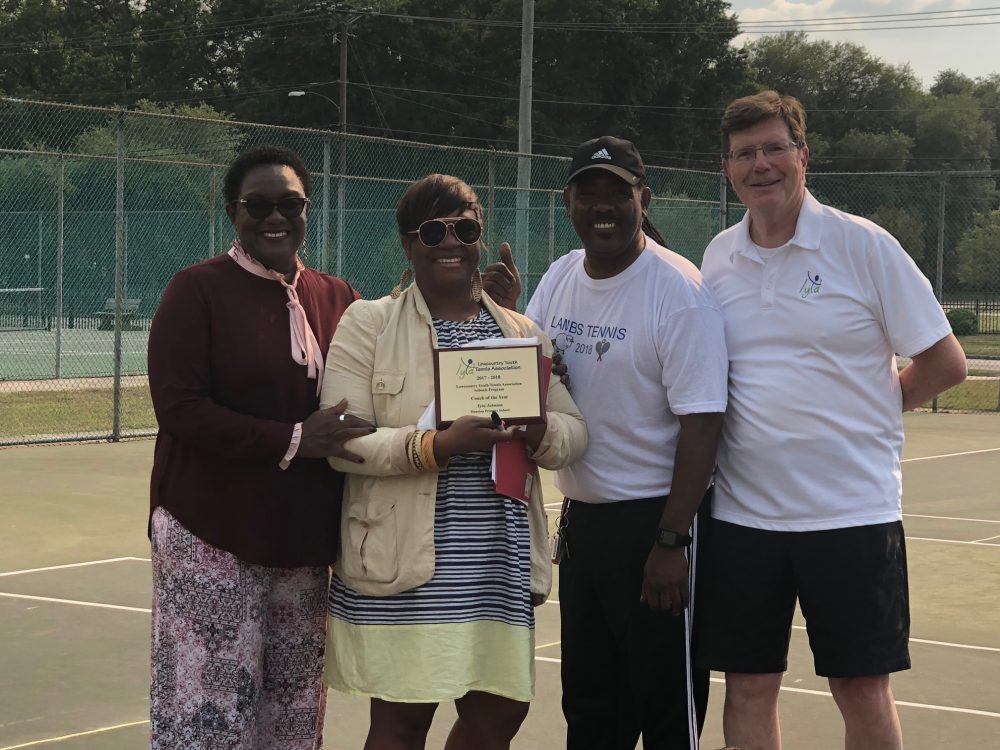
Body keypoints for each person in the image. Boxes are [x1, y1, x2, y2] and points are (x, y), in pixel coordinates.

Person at [697, 91, 968, 750]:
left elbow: (945, 361)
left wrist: (880, 405)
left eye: (773, 148)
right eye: (744, 153)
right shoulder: (717, 258)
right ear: (728, 169)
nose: (761, 164)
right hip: (743, 518)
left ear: (803, 156)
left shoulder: (863, 246)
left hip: (851, 515)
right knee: (750, 685)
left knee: (861, 689)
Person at [318, 173, 588, 750]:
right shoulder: (368, 323)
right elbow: (343, 442)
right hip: (406, 560)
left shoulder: (520, 332)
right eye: (432, 231)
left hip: (497, 558)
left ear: (479, 239)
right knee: (400, 725)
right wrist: (435, 446)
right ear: (407, 244)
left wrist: (539, 431)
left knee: (499, 717)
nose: (449, 242)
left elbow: (574, 434)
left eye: (464, 229)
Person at [147, 145, 374, 750]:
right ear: (233, 213)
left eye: (290, 204)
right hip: (211, 534)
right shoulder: (196, 291)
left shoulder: (337, 297)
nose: (276, 217)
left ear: (307, 210)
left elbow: (385, 386)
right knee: (210, 717)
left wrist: (495, 325)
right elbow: (179, 409)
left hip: (301, 542)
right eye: (259, 205)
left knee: (295, 716)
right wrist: (296, 439)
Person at [521, 136, 730, 750]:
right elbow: (531, 364)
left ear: (644, 198)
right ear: (568, 201)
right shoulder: (561, 275)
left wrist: (671, 541)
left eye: (619, 192)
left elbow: (703, 424)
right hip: (586, 523)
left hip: (657, 524)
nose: (603, 206)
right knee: (591, 710)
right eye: (589, 192)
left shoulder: (678, 292)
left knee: (667, 712)